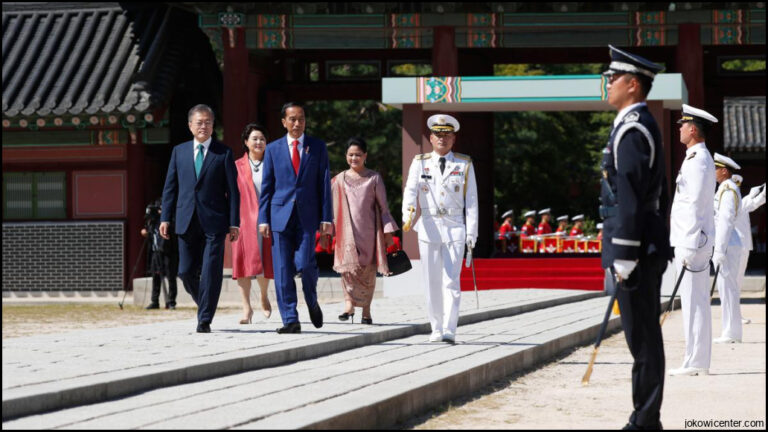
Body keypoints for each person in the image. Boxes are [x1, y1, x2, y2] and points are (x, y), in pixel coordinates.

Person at [599, 45, 669, 430]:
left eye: (612, 79)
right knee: (641, 338)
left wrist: (625, 253)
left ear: (632, 84)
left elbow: (628, 193)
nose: (607, 84)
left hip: (636, 250)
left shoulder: (633, 128)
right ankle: (646, 416)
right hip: (640, 244)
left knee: (642, 340)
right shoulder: (633, 124)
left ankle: (644, 420)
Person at [160, 104, 239, 333]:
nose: (203, 126)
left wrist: (234, 222)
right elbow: (170, 188)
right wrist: (165, 217)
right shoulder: (179, 152)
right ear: (190, 125)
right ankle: (205, 303)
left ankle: (204, 318)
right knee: (185, 271)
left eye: (208, 122)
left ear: (213, 125)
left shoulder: (223, 152)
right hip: (185, 219)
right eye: (199, 122)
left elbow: (233, 191)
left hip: (214, 221)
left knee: (211, 270)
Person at [402, 114, 478, 344]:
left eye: (446, 135)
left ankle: (449, 328)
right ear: (431, 138)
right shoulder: (420, 162)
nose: (442, 139)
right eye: (438, 135)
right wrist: (408, 214)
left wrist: (472, 233)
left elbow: (472, 200)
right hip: (429, 226)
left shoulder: (464, 164)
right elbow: (410, 190)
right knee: (431, 281)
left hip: (455, 227)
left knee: (451, 280)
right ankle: (435, 328)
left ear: (453, 138)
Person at [259, 102, 332, 334]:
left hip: (307, 216)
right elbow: (267, 187)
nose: (297, 123)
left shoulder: (317, 147)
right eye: (292, 119)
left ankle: (311, 299)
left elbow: (324, 183)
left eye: (301, 119)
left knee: (305, 264)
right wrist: (263, 218)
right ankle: (290, 318)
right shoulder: (272, 149)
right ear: (284, 122)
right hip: (279, 215)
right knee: (282, 269)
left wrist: (326, 217)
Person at [668, 104, 717, 376]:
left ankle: (695, 361)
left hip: (692, 243)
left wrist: (688, 243)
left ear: (693, 129)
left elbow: (697, 204)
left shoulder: (698, 159)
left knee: (694, 302)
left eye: (683, 125)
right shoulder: (696, 158)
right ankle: (695, 359)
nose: (679, 128)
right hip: (693, 241)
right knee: (694, 302)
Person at [331, 137, 397, 325]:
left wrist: (388, 233)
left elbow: (384, 208)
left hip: (369, 232)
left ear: (365, 156)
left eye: (358, 155)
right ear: (346, 156)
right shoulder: (338, 180)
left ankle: (366, 311)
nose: (354, 158)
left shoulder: (374, 178)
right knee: (347, 270)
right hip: (345, 232)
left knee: (367, 272)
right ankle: (348, 305)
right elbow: (331, 208)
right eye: (351, 155)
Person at [232, 123, 274, 324]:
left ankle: (264, 296)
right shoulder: (236, 166)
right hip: (243, 221)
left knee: (264, 260)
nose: (259, 142)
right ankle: (246, 308)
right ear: (246, 142)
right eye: (255, 139)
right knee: (242, 263)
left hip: (267, 219)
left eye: (262, 139)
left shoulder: (272, 163)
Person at [711, 153, 743, 344]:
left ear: (724, 170)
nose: (713, 172)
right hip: (727, 243)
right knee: (726, 289)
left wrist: (719, 249)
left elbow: (725, 221)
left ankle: (731, 332)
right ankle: (730, 330)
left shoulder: (728, 189)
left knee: (728, 289)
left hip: (728, 244)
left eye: (716, 169)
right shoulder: (725, 188)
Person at [731, 175, 766, 325]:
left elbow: (751, 203)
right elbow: (751, 204)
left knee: (737, 284)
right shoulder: (736, 202)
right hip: (737, 248)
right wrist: (761, 194)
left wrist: (760, 193)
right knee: (734, 284)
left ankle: (736, 315)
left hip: (742, 247)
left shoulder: (740, 201)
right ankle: (734, 317)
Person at [142, 199, 178, 310]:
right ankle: (155, 301)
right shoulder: (153, 220)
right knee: (155, 276)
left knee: (170, 277)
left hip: (168, 252)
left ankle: (171, 301)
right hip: (155, 251)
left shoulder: (170, 218)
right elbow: (148, 230)